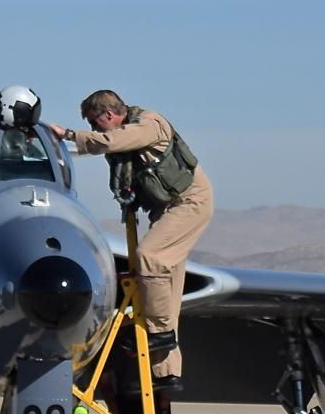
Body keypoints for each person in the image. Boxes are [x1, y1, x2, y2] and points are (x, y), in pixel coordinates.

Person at [49, 89, 213, 396]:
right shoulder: (126, 134)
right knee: (166, 286)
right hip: (166, 209)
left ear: (109, 115)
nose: (96, 130)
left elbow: (111, 142)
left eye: (95, 124)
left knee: (149, 257)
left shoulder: (149, 124)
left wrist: (69, 134)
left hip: (188, 203)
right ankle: (167, 373)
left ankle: (160, 333)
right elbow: (108, 146)